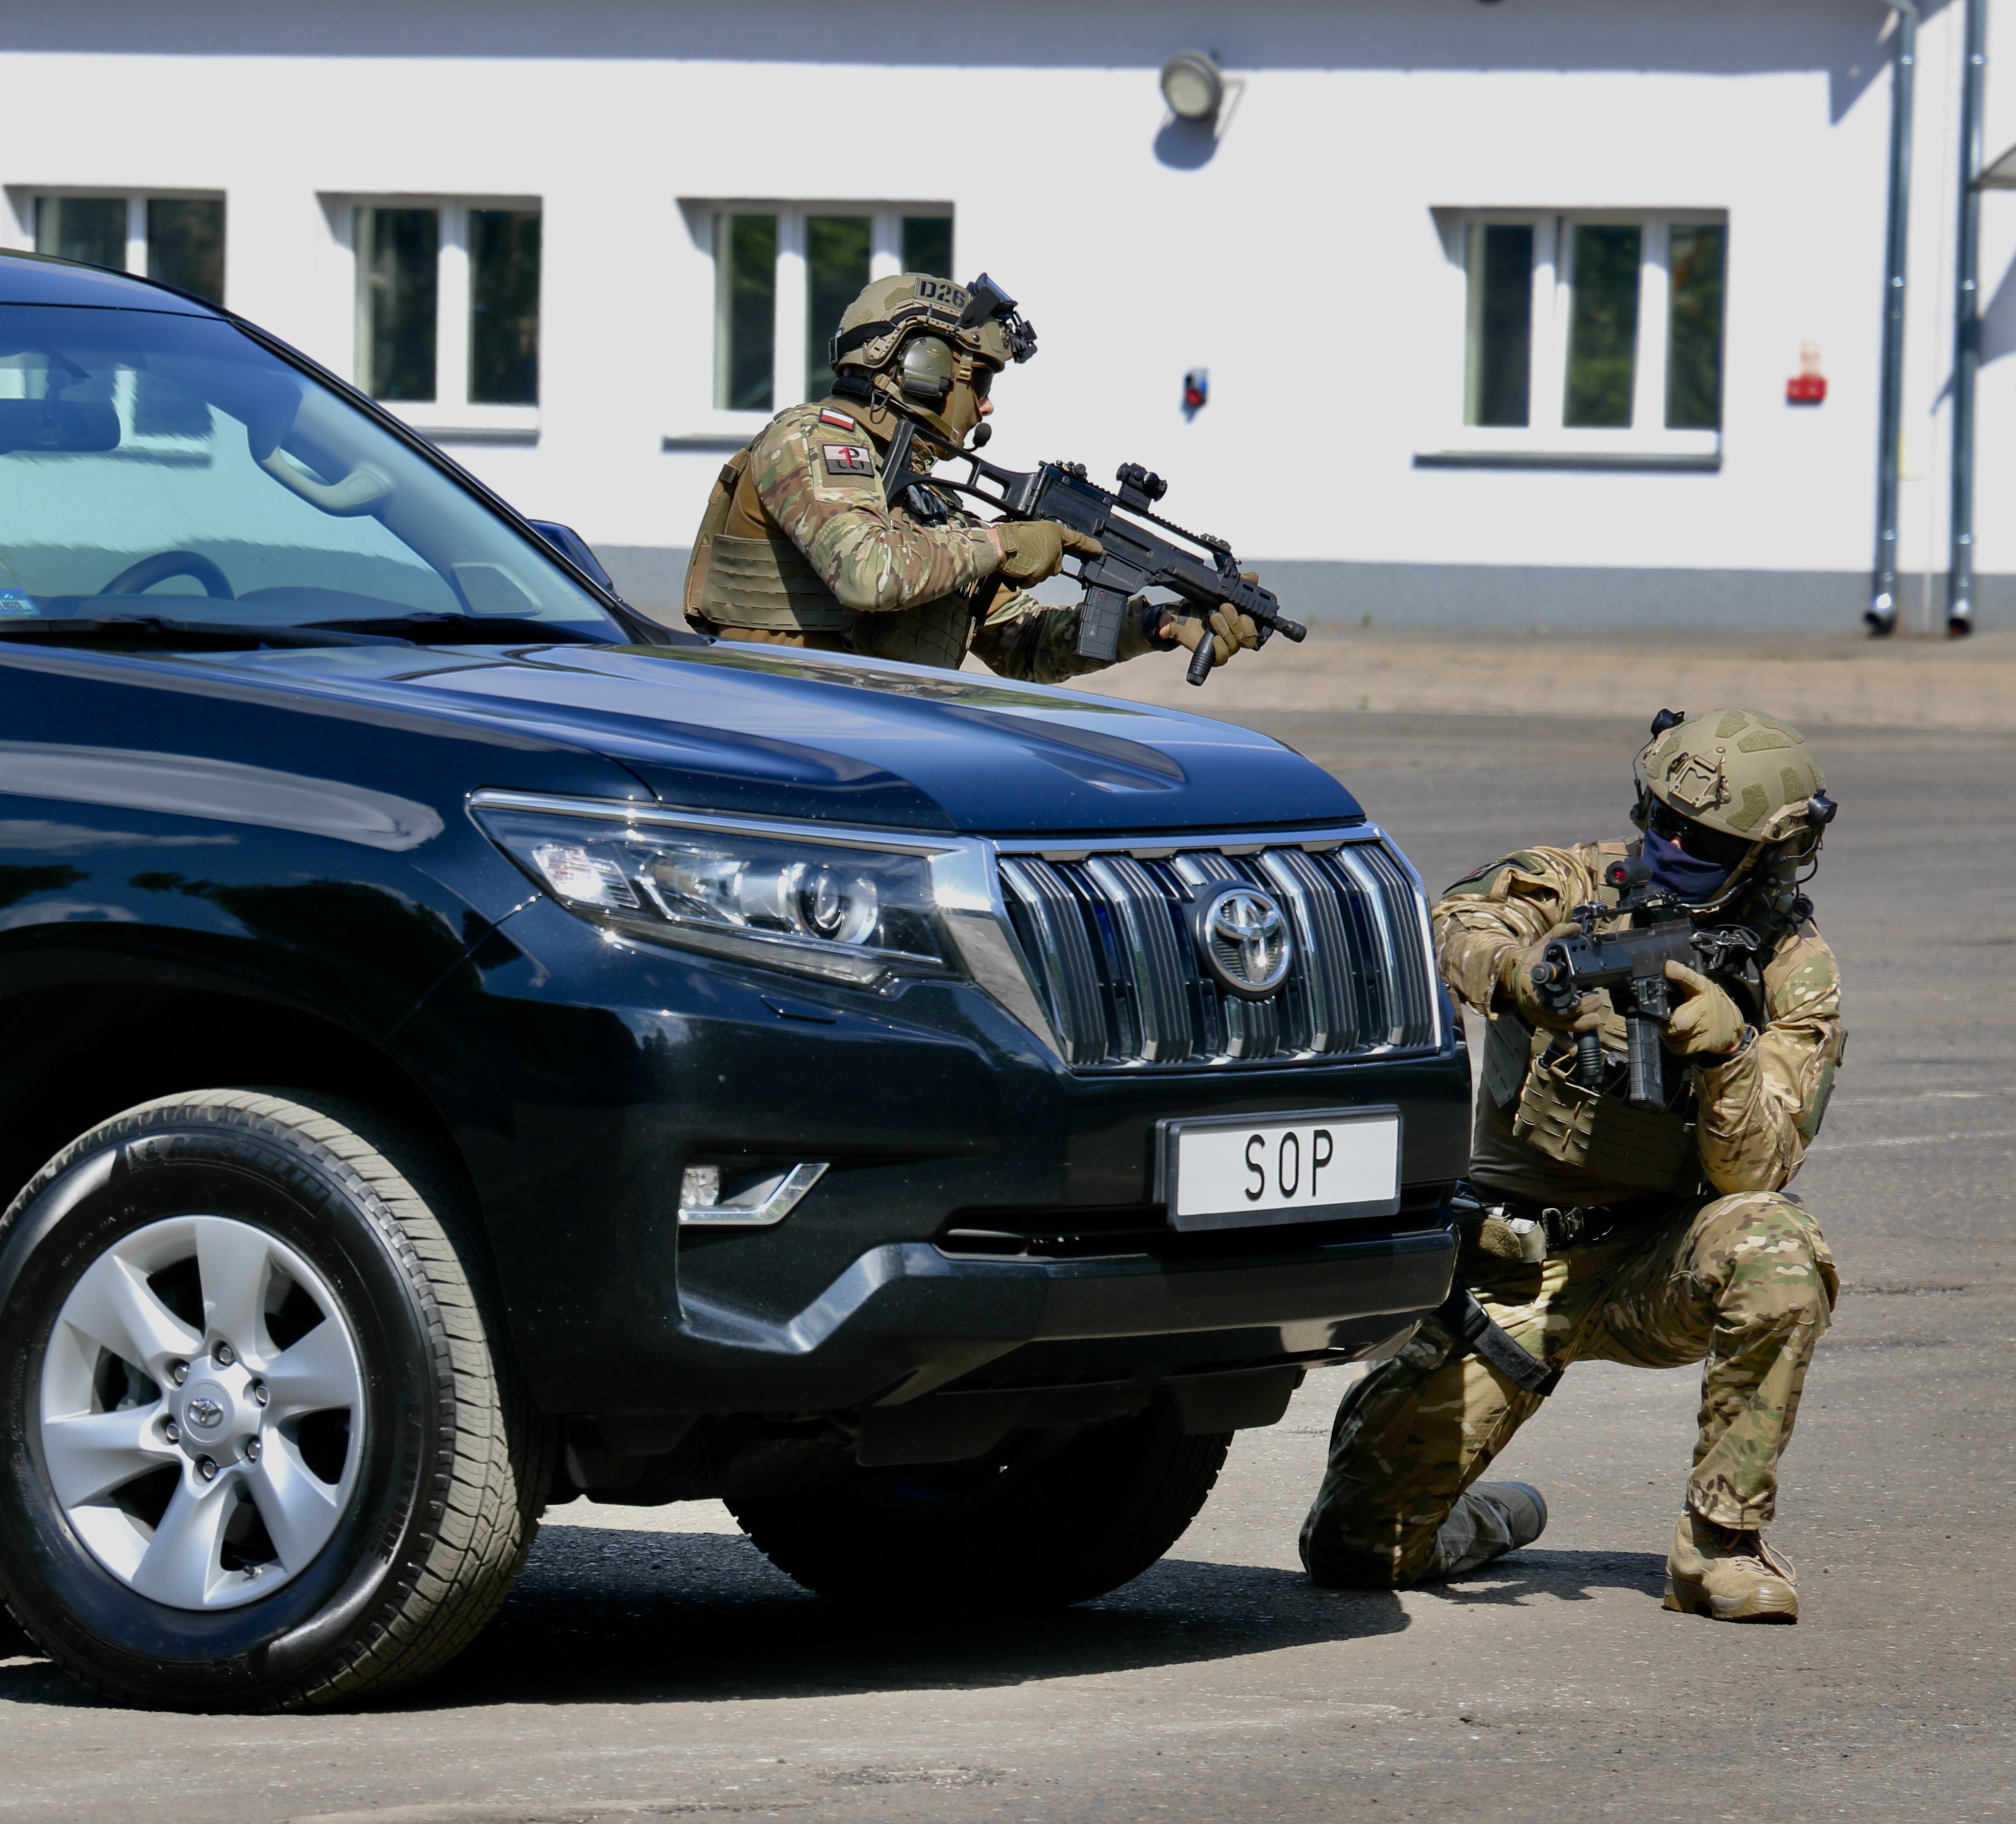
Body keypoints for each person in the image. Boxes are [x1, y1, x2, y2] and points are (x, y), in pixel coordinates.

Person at [1300, 708, 1846, 1624]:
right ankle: (1490, 1517)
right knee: (1357, 1548)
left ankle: (1719, 1544)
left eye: (1703, 841)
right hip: (1512, 1267)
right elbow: (1453, 923)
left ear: (1766, 855)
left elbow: (1757, 1168)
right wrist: (1523, 976)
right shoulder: (1571, 883)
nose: (1670, 846)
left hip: (1655, 1264)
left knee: (1777, 1248)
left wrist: (1728, 1053)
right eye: (1658, 820)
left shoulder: (1795, 968)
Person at [682, 272, 1260, 683]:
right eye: (980, 382)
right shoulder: (813, 440)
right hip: (780, 723)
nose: (986, 407)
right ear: (921, 368)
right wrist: (1003, 542)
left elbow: (1025, 649)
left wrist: (1155, 623)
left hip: (877, 744)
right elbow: (867, 572)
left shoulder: (932, 504)